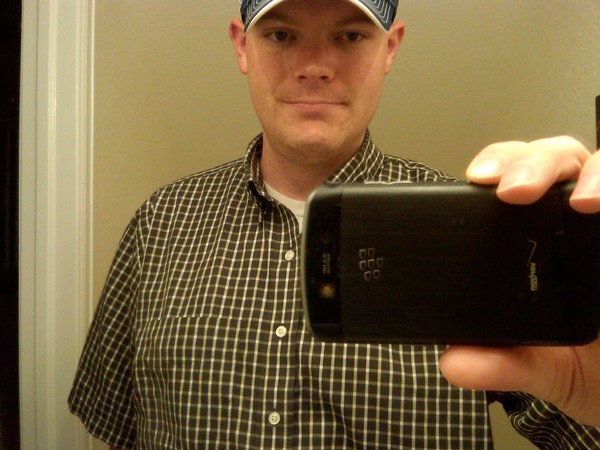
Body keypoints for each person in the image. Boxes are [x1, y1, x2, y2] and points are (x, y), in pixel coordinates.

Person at [69, 0, 600, 448]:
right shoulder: (161, 222)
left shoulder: (483, 235)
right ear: (240, 45)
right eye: (282, 34)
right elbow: (119, 430)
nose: (315, 66)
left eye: (349, 36)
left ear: (390, 47)